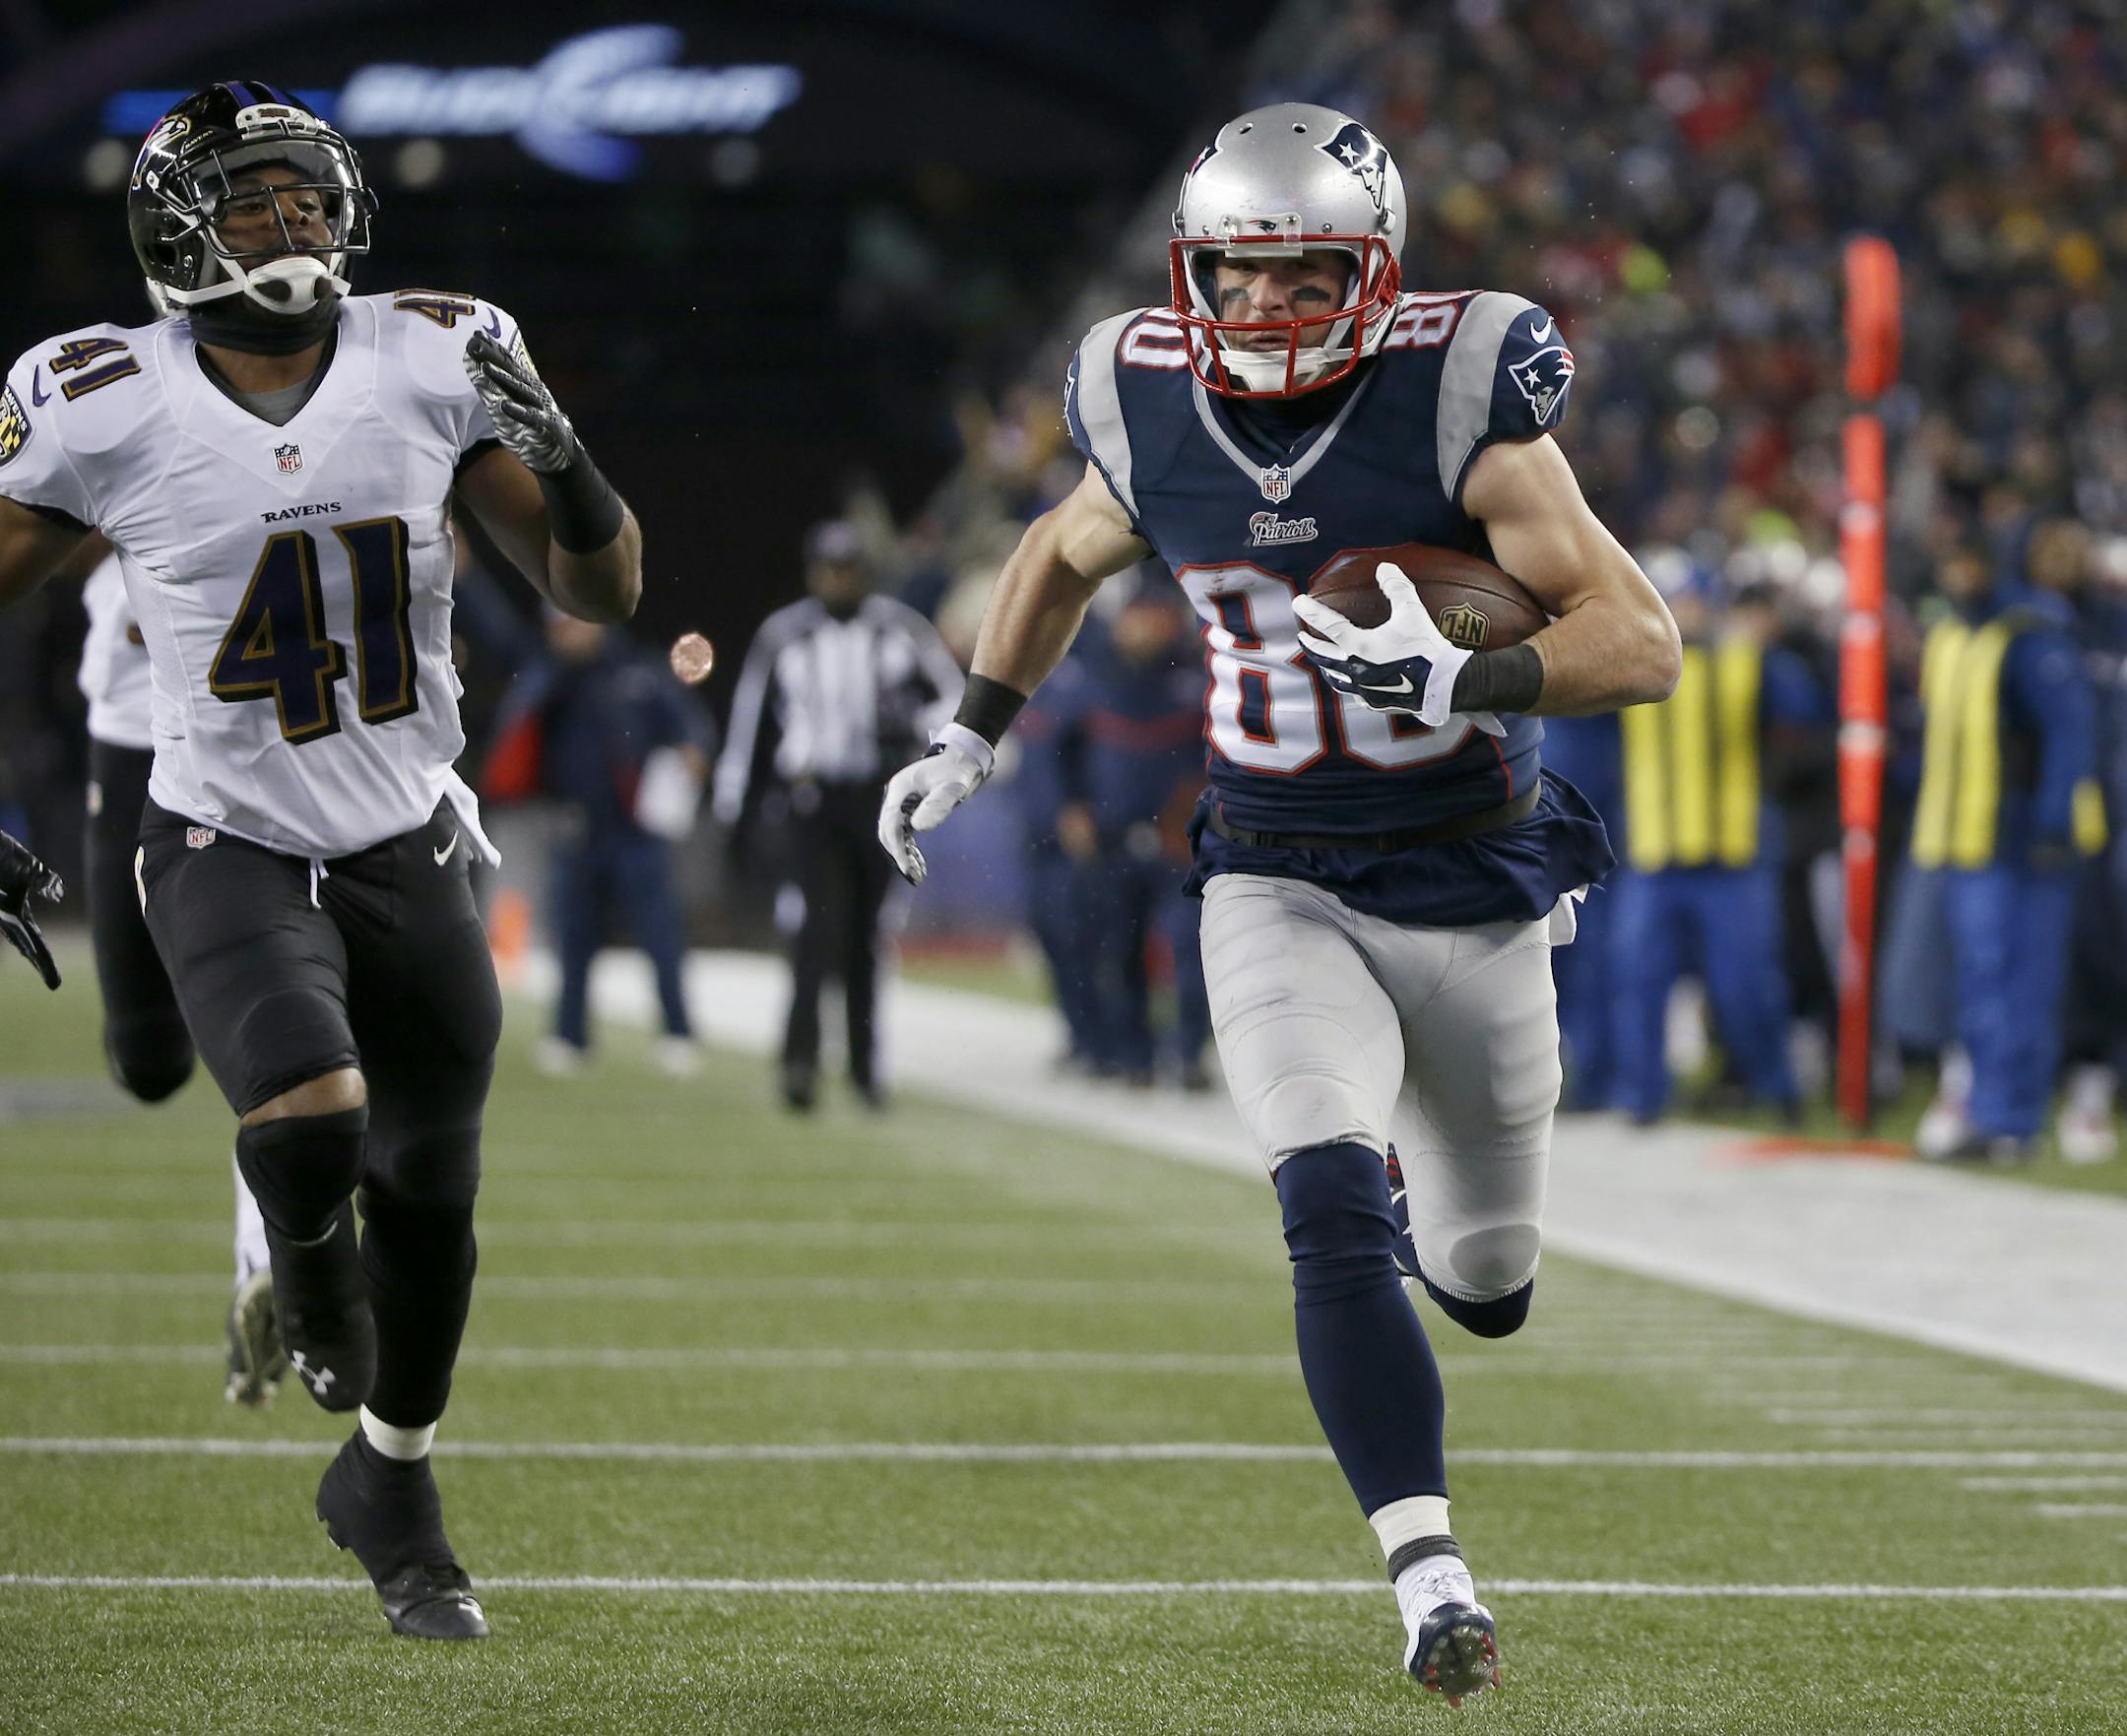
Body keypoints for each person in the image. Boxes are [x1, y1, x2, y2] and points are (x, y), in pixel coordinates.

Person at [877, 103, 1678, 1704]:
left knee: (1491, 1280)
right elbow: (1059, 545)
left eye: (1299, 274)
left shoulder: (1462, 392)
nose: (1260, 311)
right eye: (1232, 280)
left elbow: (1643, 639)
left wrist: (1479, 668)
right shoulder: (1143, 389)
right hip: (1272, 865)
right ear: (1192, 275)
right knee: (1325, 1207)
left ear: (1371, 272)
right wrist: (971, 735)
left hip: (1470, 869)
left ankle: (1430, 1192)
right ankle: (1428, 1567)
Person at [0, 81, 641, 1639]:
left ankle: (391, 1483)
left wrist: (563, 459)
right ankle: (306, 1270)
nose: (291, 224)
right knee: (310, 1101)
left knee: (432, 1191)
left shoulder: (433, 350)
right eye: (251, 201)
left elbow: (600, 590)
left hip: (406, 831)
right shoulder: (97, 395)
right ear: (175, 231)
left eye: (305, 195)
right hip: (221, 830)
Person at [71, 532, 287, 1401]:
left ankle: (268, 1267)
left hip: (276, 749)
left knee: (283, 1034)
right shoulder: (105, 406)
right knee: (152, 1060)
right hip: (135, 745)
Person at [714, 520, 962, 1110]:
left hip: (877, 800)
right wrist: (735, 806)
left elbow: (951, 699)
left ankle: (863, 1068)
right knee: (813, 933)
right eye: (828, 568)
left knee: (866, 939)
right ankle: (799, 1067)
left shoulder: (899, 630)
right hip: (812, 799)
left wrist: (916, 740)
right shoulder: (786, 634)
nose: (837, 579)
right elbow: (752, 723)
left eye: (847, 568)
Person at [1907, 533, 2106, 1161]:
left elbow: (2071, 732)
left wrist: (2053, 822)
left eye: (1969, 562)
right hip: (1965, 841)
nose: (1958, 573)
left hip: (2024, 842)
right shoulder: (1953, 636)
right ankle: (1994, 1111)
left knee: (2021, 984)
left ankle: (2011, 1120)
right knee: (1982, 982)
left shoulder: (2030, 635)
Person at [1609, 566, 1828, 1125]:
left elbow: (1805, 714)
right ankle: (1640, 1097)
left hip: (1732, 854)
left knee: (1747, 985)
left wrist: (1767, 644)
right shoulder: (1631, 660)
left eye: (1692, 599)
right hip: (1656, 853)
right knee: (1636, 977)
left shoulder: (1747, 659)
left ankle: (1779, 1090)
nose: (1684, 612)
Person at [483, 609, 714, 1074]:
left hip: (635, 831)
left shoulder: (639, 670)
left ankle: (678, 1031)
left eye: (572, 624)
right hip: (576, 828)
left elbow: (691, 726)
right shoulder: (550, 677)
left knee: (659, 934)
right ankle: (571, 1035)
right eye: (558, 626)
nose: (564, 634)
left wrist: (692, 753)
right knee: (574, 939)